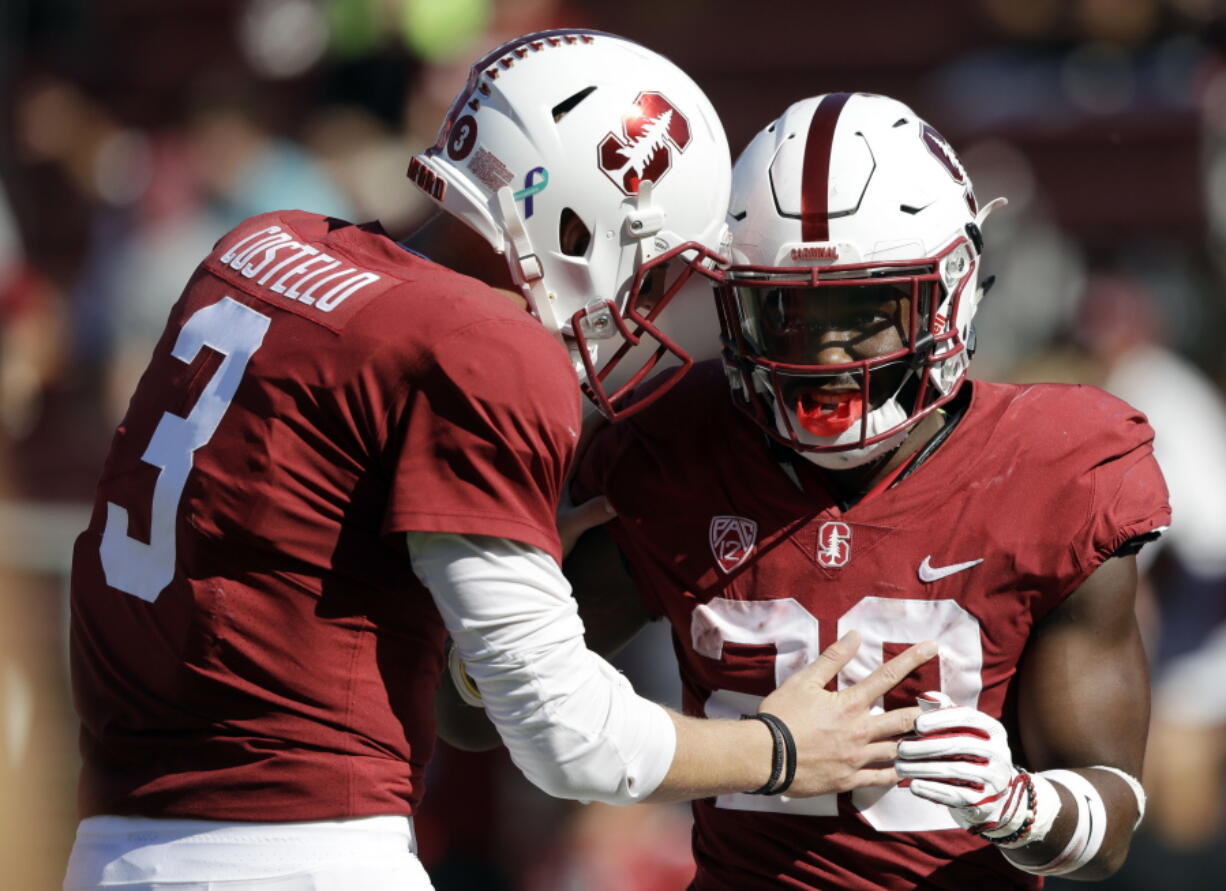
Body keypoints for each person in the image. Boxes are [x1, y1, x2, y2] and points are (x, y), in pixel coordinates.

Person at [62, 35, 935, 891]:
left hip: (111, 845)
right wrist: (778, 749)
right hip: (302, 850)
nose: (644, 304)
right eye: (654, 268)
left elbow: (288, 537)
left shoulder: (263, 245)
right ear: (579, 221)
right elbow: (569, 737)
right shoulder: (480, 344)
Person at [558, 93, 1170, 887]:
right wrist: (510, 589)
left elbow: (1110, 811)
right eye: (787, 312)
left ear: (952, 290)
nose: (827, 354)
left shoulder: (1056, 468)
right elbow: (482, 714)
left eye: (865, 311)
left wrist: (1027, 807)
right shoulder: (675, 442)